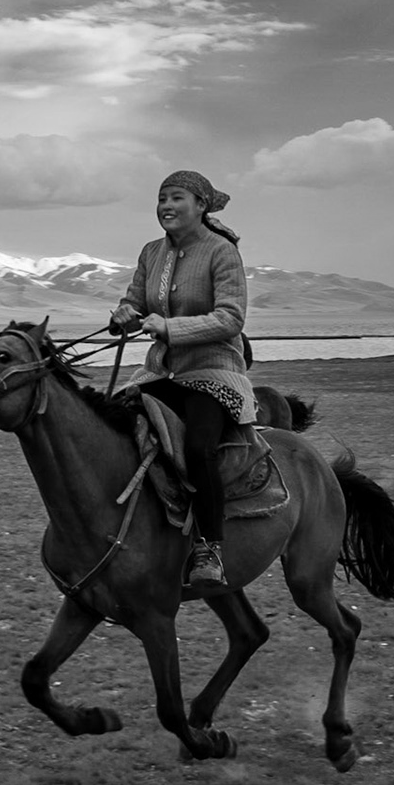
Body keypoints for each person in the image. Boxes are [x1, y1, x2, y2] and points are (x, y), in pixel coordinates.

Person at [109, 169, 255, 594]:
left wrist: (170, 328)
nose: (166, 206)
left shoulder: (221, 252)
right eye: (162, 198)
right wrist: (123, 315)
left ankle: (209, 548)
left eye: (176, 198)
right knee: (109, 423)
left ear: (201, 205)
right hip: (160, 371)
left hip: (212, 371)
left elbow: (231, 318)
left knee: (198, 447)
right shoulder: (151, 252)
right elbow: (134, 303)